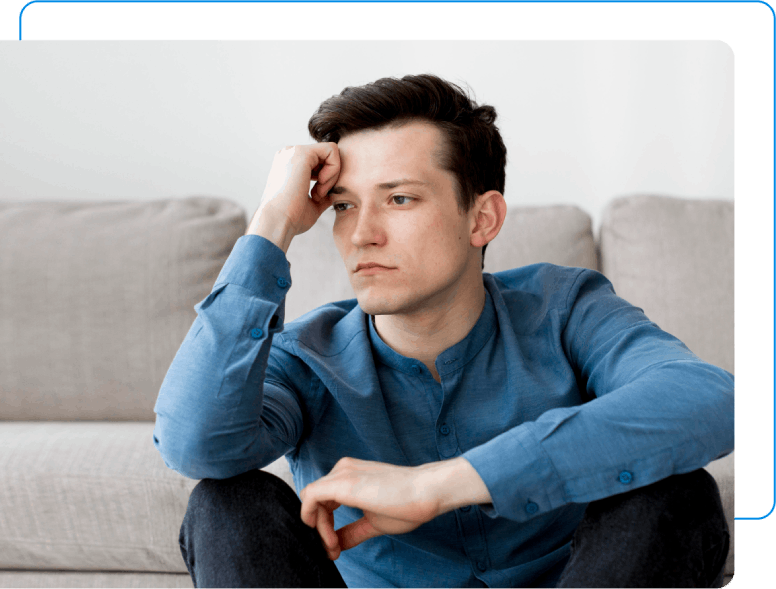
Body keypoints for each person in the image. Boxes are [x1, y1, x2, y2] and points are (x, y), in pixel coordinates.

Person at [153, 74, 733, 588]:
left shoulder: (564, 307)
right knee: (225, 504)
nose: (361, 236)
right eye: (344, 207)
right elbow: (195, 446)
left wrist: (443, 484)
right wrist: (273, 221)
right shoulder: (308, 355)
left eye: (399, 199)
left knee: (676, 495)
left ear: (482, 218)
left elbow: (709, 398)